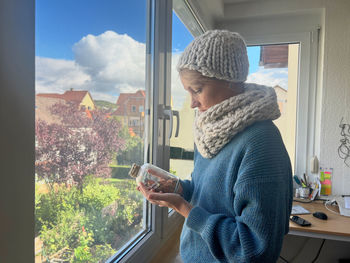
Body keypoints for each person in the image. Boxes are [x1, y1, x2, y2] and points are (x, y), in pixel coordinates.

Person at [138, 30, 293, 263]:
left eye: (197, 89)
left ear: (230, 79)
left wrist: (183, 207)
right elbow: (211, 195)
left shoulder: (262, 143)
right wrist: (179, 189)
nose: (191, 103)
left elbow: (255, 249)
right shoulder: (209, 131)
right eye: (187, 91)